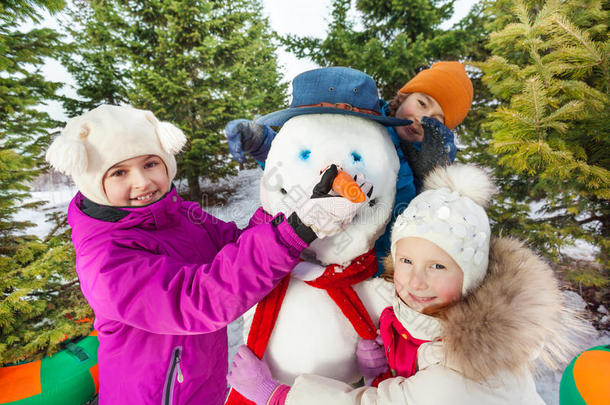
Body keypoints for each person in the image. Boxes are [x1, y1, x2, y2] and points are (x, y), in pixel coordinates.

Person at [44, 104, 368, 405]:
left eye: (150, 163)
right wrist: (297, 229)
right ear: (92, 181)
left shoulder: (180, 215)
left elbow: (236, 247)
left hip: (202, 386)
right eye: (119, 173)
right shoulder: (105, 260)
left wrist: (288, 208)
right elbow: (200, 300)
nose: (142, 181)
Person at [228, 164, 582, 405]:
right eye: (407, 261)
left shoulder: (471, 366)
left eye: (438, 266)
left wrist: (273, 394)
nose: (415, 279)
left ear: (471, 276)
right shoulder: (426, 319)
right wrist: (380, 372)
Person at [225, 62, 474, 271]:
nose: (422, 118)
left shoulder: (425, 162)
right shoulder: (360, 119)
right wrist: (261, 144)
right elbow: (305, 158)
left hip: (373, 269)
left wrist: (434, 177)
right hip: (311, 252)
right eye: (422, 102)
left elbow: (424, 224)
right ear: (404, 95)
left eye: (436, 119)